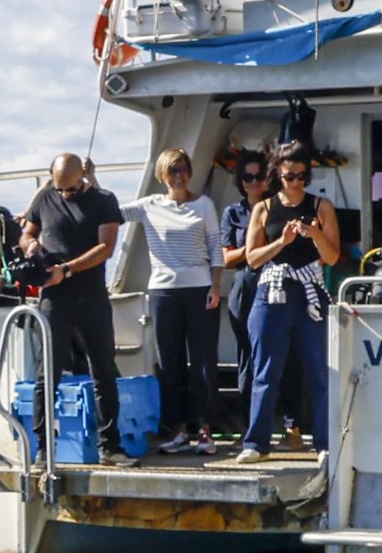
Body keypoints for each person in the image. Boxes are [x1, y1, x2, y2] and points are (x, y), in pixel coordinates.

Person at [236, 141, 347, 453]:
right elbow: (252, 258)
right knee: (266, 370)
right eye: (289, 176)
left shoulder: (321, 207)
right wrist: (281, 242)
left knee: (319, 372)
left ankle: (324, 443)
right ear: (277, 175)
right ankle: (256, 444)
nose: (295, 181)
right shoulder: (264, 208)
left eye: (300, 176)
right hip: (272, 291)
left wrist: (314, 235)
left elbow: (334, 256)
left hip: (309, 291)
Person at [16, 150, 128, 439]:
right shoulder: (44, 198)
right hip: (55, 298)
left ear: (84, 177)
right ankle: (42, 445)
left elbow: (106, 248)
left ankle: (110, 443)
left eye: (72, 188)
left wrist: (65, 270)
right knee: (47, 373)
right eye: (59, 188)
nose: (65, 194)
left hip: (91, 295)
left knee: (103, 370)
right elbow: (27, 232)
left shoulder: (104, 201)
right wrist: (30, 246)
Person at [128, 146, 231, 451]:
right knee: (170, 363)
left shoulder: (204, 206)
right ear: (162, 174)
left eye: (183, 169)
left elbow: (216, 246)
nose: (179, 176)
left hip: (200, 289)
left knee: (202, 363)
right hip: (163, 291)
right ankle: (177, 429)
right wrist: (87, 181)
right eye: (172, 170)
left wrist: (215, 286)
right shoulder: (149, 206)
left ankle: (204, 428)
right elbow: (111, 212)